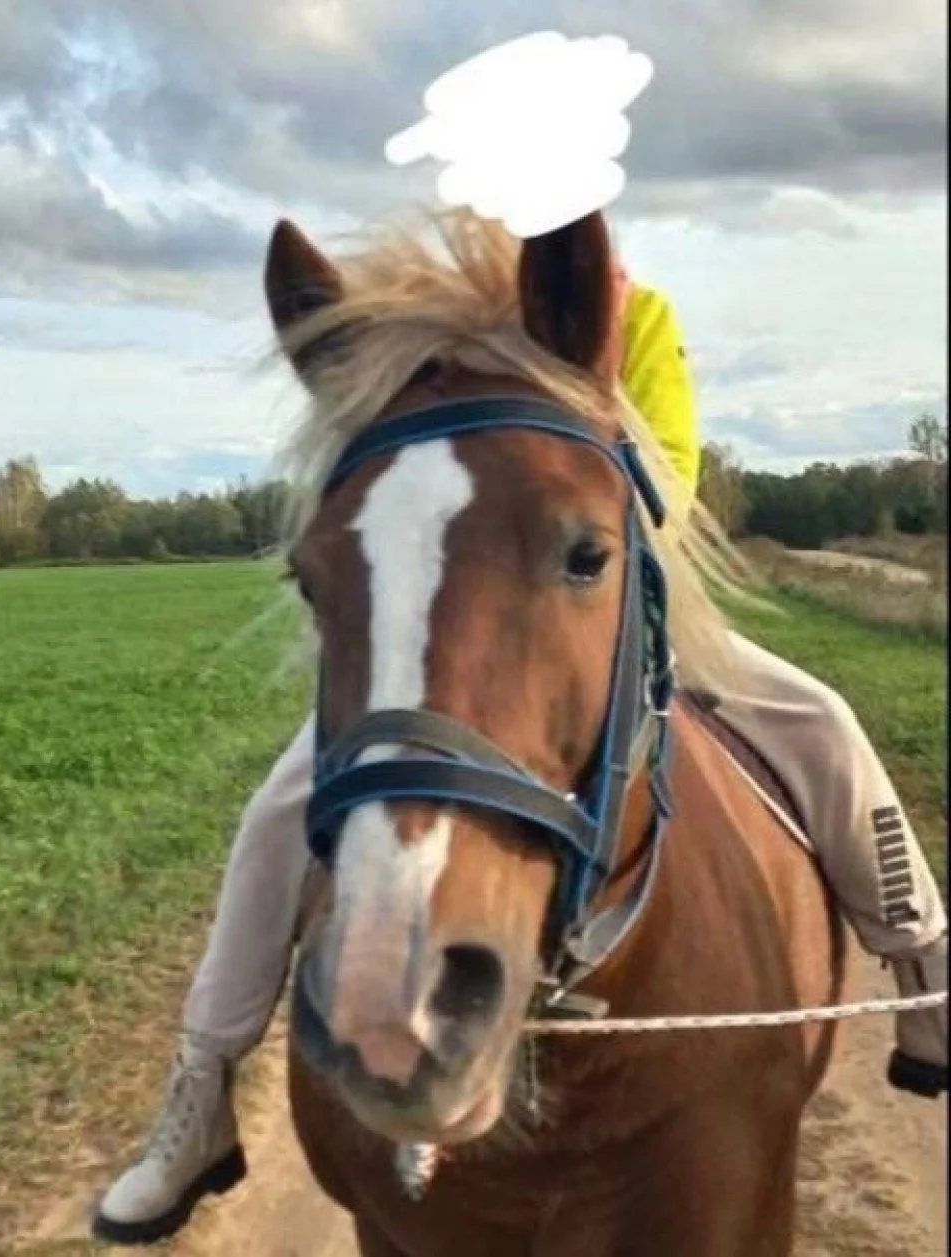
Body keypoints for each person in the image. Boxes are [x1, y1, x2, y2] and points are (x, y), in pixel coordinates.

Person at [92, 263, 948, 1247]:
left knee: (819, 721)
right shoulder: (410, 344)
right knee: (281, 808)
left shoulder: (634, 315)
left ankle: (923, 961)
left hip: (616, 594)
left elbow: (671, 461)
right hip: (448, 634)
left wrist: (605, 496)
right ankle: (201, 1088)